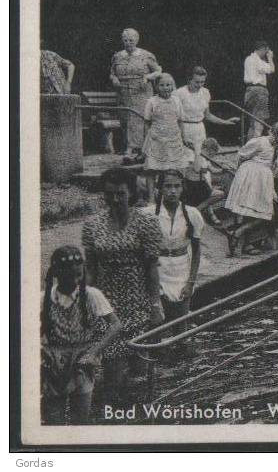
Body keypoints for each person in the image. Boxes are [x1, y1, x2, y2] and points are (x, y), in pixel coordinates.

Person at [81, 168, 163, 399]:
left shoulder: (145, 222)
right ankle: (115, 410)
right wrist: (84, 304)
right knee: (112, 370)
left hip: (138, 299)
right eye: (109, 194)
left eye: (120, 194)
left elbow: (151, 267)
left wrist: (155, 305)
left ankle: (140, 414)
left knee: (139, 369)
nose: (115, 200)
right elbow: (91, 268)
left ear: (131, 194)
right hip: (107, 303)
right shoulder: (93, 225)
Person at [41, 246, 121, 424]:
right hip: (53, 365)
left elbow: (115, 325)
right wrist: (41, 353)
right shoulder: (44, 298)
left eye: (78, 276)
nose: (74, 281)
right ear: (56, 274)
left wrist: (93, 352)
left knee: (81, 417)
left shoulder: (92, 295)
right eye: (68, 277)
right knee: (54, 419)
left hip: (82, 363)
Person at [152, 170, 203, 359]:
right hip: (158, 268)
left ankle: (183, 364)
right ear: (160, 189)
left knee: (182, 322)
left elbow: (196, 250)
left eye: (177, 186)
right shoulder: (150, 214)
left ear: (182, 188)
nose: (172, 191)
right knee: (157, 322)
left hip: (181, 268)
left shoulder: (192, 214)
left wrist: (191, 281)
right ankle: (158, 365)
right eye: (167, 186)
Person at [224, 122, 278, 255]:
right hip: (251, 178)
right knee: (251, 211)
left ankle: (238, 234)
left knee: (263, 213)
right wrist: (240, 178)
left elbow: (272, 167)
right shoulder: (260, 142)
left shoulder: (277, 148)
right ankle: (244, 242)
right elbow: (242, 156)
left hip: (264, 181)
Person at [173, 66, 240, 202]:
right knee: (188, 165)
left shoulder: (205, 92)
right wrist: (181, 135)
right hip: (184, 129)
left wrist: (225, 122)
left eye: (202, 82)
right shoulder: (179, 93)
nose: (200, 85)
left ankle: (208, 205)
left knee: (203, 163)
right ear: (189, 80)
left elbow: (207, 115)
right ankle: (187, 201)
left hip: (199, 130)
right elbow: (174, 117)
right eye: (196, 82)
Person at [110, 28, 162, 159]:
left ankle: (133, 149)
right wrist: (114, 79)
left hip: (141, 90)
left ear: (137, 40)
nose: (128, 43)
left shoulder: (146, 55)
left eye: (131, 40)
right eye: (125, 40)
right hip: (123, 91)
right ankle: (133, 149)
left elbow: (158, 71)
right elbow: (112, 73)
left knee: (138, 119)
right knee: (126, 120)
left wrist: (148, 77)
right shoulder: (117, 56)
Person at [142, 73, 190, 206]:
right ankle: (151, 198)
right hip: (156, 139)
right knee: (152, 169)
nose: (165, 88)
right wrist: (147, 140)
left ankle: (174, 198)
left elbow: (180, 121)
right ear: (157, 87)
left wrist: (183, 137)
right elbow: (147, 122)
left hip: (173, 139)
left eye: (168, 85)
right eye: (162, 85)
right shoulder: (151, 101)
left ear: (172, 86)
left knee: (175, 169)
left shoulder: (176, 100)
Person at [243, 40, 275, 141]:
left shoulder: (248, 59)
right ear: (263, 49)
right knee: (258, 122)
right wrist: (270, 58)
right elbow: (272, 69)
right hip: (258, 90)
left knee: (253, 123)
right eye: (266, 51)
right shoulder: (256, 60)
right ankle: (254, 146)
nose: (266, 53)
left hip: (249, 90)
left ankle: (249, 146)